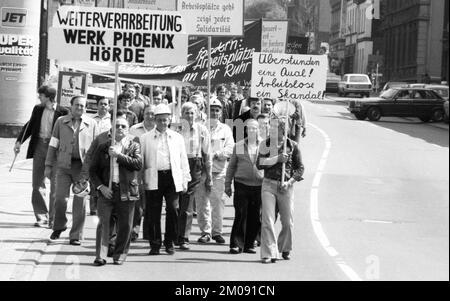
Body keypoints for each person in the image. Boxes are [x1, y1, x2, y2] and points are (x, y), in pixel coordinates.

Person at [90, 110, 143, 266]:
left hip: (127, 191)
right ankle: (101, 255)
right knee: (103, 222)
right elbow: (93, 171)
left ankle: (120, 254)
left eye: (123, 126)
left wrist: (119, 156)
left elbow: (137, 164)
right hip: (107, 190)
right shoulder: (103, 147)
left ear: (127, 130)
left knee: (125, 225)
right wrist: (101, 187)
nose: (119, 128)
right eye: (116, 126)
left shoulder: (134, 145)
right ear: (111, 130)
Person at [45, 96, 99, 245]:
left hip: (82, 169)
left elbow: (96, 148)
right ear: (71, 106)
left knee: (80, 203)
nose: (80, 108)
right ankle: (59, 226)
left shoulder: (92, 124)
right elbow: (53, 143)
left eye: (82, 106)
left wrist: (93, 170)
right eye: (77, 105)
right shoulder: (60, 121)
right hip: (63, 166)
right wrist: (48, 165)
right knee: (60, 199)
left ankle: (75, 235)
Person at [14, 86, 69, 228]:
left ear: (49, 97)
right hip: (39, 147)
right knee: (37, 184)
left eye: (41, 96)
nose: (39, 98)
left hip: (55, 150)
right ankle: (41, 217)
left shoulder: (63, 112)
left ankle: (53, 219)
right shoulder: (37, 109)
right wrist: (19, 141)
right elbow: (29, 125)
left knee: (56, 186)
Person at [140, 104, 191, 255]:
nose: (163, 123)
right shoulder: (145, 138)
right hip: (154, 176)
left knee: (173, 208)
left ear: (169, 120)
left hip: (172, 177)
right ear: (155, 120)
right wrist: (141, 181)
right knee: (153, 211)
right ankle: (155, 244)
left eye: (165, 120)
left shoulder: (177, 137)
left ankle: (169, 242)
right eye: (160, 120)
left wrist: (185, 179)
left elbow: (183, 160)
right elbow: (141, 160)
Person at [256, 116, 305, 263]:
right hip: (269, 184)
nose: (271, 129)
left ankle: (284, 247)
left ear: (283, 129)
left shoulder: (293, 145)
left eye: (275, 127)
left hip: (285, 187)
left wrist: (289, 182)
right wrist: (277, 159)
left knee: (287, 221)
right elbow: (260, 163)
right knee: (267, 220)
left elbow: (300, 168)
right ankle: (268, 252)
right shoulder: (265, 144)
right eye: (270, 126)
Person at [195, 98, 234, 244]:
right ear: (207, 110)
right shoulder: (200, 127)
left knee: (218, 201)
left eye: (217, 109)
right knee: (202, 202)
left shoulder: (226, 129)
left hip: (218, 171)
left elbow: (230, 148)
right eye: (212, 109)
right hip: (202, 171)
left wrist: (217, 154)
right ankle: (206, 231)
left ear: (221, 112)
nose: (214, 112)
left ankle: (217, 231)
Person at [176, 102, 213, 250]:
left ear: (197, 114)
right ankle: (173, 235)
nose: (190, 116)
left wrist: (209, 176)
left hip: (194, 165)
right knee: (175, 203)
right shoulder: (175, 129)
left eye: (192, 113)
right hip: (177, 164)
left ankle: (183, 237)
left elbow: (208, 153)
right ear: (181, 115)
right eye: (187, 113)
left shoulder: (202, 129)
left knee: (187, 202)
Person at [225, 119, 263, 254]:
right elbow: (232, 166)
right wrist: (227, 184)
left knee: (254, 215)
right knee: (240, 213)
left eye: (254, 128)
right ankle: (235, 243)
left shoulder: (264, 145)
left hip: (259, 185)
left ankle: (249, 244)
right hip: (241, 184)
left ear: (259, 129)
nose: (252, 130)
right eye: (249, 128)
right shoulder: (239, 145)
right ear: (246, 130)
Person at [129, 104, 156, 241]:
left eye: (152, 113)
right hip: (137, 169)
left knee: (151, 200)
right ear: (143, 114)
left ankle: (148, 231)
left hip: (154, 168)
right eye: (147, 113)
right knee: (137, 199)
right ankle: (134, 229)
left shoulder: (160, 129)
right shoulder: (134, 129)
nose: (150, 116)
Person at [90, 97, 112, 215]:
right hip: (94, 151)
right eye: (101, 104)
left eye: (105, 104)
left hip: (106, 153)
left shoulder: (111, 120)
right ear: (97, 105)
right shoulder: (91, 119)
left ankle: (102, 205)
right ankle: (93, 208)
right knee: (93, 178)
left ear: (109, 106)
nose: (103, 106)